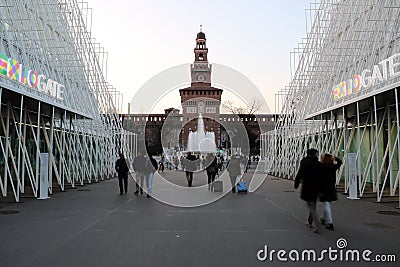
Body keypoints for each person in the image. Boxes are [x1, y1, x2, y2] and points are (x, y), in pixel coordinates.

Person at [294, 148, 323, 233]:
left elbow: (300, 173)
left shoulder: (304, 162)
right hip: (316, 187)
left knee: (310, 205)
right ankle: (309, 222)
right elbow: (322, 177)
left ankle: (317, 225)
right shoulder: (318, 164)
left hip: (307, 187)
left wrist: (296, 183)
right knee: (313, 204)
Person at [320, 154, 342, 231]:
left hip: (323, 189)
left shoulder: (321, 167)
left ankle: (330, 223)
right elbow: (340, 162)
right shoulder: (333, 167)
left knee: (327, 204)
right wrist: (335, 158)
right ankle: (323, 218)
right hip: (331, 188)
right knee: (327, 204)